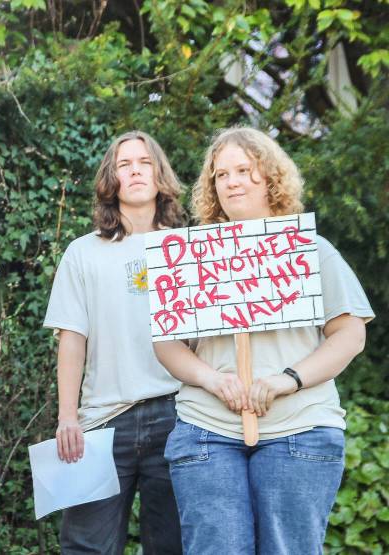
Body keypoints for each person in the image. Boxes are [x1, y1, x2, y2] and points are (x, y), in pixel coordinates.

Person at [154, 127, 373, 554]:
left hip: (301, 426)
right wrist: (213, 380)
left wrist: (288, 379)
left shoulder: (311, 249)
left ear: (270, 178)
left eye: (244, 170)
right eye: (221, 175)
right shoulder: (189, 258)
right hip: (207, 428)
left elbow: (349, 333)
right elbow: (167, 344)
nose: (232, 181)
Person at [43, 130, 185, 554]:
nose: (136, 170)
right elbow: (72, 339)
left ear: (160, 176)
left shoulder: (190, 247)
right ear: (112, 179)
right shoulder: (82, 252)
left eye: (145, 162)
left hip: (181, 415)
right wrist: (68, 416)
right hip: (102, 421)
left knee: (173, 546)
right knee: (86, 547)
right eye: (125, 164)